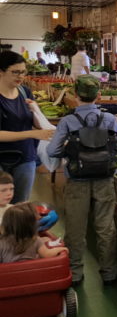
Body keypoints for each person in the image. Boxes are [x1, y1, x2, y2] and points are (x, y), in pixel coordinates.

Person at [46, 75, 117, 285]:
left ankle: (75, 273)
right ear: (98, 95)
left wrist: (70, 150)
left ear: (75, 95)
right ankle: (109, 272)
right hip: (104, 179)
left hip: (77, 181)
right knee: (105, 226)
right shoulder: (109, 120)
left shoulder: (68, 121)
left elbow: (52, 150)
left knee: (75, 227)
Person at [0, 51, 55, 203]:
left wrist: (37, 112)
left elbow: (35, 123)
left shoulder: (25, 92)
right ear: (1, 72)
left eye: (23, 72)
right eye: (15, 72)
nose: (20, 76)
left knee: (21, 206)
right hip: (2, 157)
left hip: (25, 157)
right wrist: (31, 134)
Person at [0, 202, 68, 263]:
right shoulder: (35, 240)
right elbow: (47, 254)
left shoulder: (2, 243)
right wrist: (62, 249)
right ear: (32, 226)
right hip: (32, 272)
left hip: (9, 274)